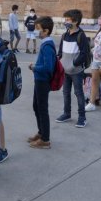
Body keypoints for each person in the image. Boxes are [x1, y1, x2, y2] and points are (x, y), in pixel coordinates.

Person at [56, 9, 88, 128]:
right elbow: (60, 52)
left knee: (78, 93)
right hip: (65, 71)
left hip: (76, 71)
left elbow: (84, 54)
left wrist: (73, 64)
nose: (66, 22)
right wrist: (59, 62)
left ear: (75, 21)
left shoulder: (81, 36)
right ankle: (67, 113)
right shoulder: (65, 35)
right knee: (65, 93)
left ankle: (82, 118)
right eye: (65, 19)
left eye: (68, 20)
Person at [27, 16, 56, 149]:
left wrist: (34, 67)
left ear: (46, 31)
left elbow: (48, 67)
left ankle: (45, 139)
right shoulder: (45, 44)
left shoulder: (47, 46)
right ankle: (41, 132)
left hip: (43, 81)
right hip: (39, 80)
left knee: (42, 108)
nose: (35, 31)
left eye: (38, 29)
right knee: (36, 106)